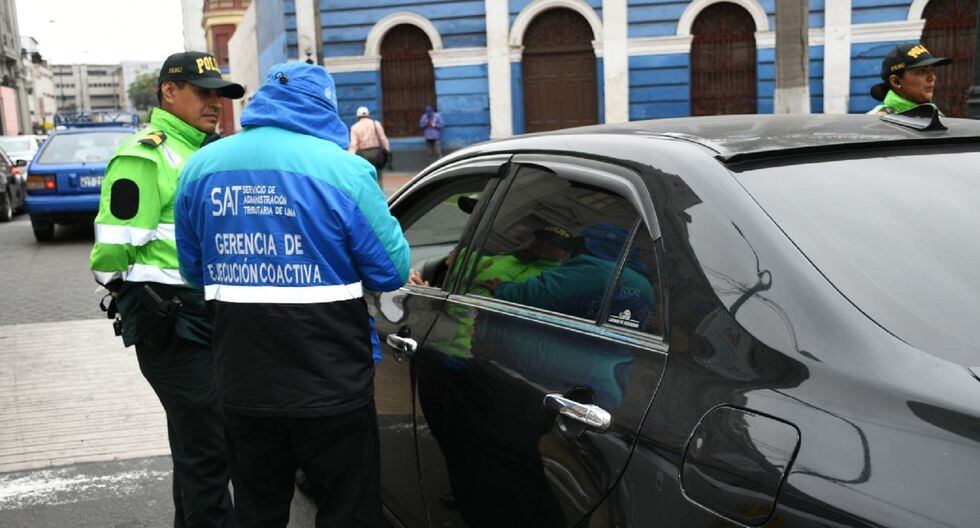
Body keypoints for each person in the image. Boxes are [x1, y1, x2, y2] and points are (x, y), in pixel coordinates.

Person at [175, 61, 410, 527]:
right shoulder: (345, 172)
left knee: (258, 511)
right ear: (326, 107)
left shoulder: (200, 167)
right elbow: (390, 270)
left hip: (243, 381)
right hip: (331, 382)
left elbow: (194, 272)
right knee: (348, 511)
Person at [89, 51, 243, 527]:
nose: (215, 102)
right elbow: (111, 253)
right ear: (169, 92)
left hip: (209, 318)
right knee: (209, 448)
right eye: (203, 92)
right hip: (173, 323)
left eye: (219, 93)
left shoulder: (204, 152)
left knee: (197, 447)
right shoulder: (145, 155)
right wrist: (127, 295)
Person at [868, 43, 951, 115]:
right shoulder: (877, 122)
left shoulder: (937, 116)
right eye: (921, 71)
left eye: (932, 70)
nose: (932, 78)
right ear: (896, 81)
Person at [348, 105, 391, 181]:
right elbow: (383, 138)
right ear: (368, 115)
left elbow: (353, 144)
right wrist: (387, 150)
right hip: (376, 153)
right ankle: (378, 190)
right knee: (378, 175)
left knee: (366, 176)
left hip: (363, 154)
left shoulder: (355, 127)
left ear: (357, 116)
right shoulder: (376, 124)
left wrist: (350, 157)